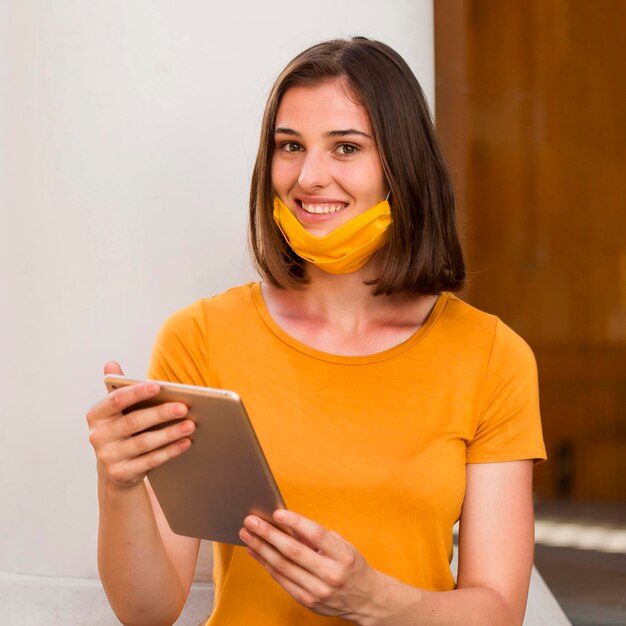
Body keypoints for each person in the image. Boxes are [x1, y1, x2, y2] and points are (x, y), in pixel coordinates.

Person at [87, 37, 546, 625]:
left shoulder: (491, 357)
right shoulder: (199, 337)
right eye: (290, 146)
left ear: (402, 166)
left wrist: (371, 600)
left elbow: (499, 613)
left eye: (346, 147)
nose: (308, 177)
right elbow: (148, 611)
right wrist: (117, 485)